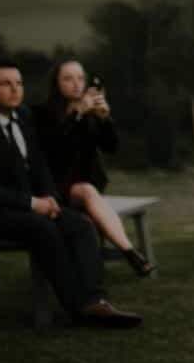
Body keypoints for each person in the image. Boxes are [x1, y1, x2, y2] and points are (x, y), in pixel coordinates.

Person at [0, 60, 139, 328]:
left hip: (23, 207)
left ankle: (96, 301)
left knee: (81, 225)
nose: (14, 89)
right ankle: (78, 306)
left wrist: (49, 198)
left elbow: (40, 166)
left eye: (19, 83)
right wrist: (33, 203)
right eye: (5, 84)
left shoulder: (22, 117)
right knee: (42, 227)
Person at [35, 59, 153, 277]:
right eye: (68, 78)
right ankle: (130, 251)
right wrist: (77, 114)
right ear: (56, 83)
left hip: (87, 188)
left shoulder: (89, 113)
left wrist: (105, 118)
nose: (76, 84)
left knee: (88, 194)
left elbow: (111, 147)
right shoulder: (42, 114)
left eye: (80, 78)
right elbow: (54, 149)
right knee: (86, 193)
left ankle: (115, 259)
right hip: (54, 187)